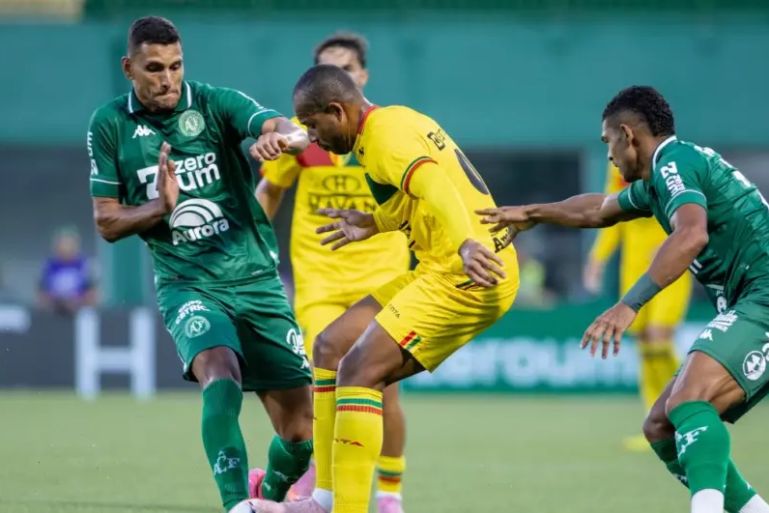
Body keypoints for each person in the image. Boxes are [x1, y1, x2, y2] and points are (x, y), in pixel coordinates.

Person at [478, 85, 769, 513]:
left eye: (607, 141)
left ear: (627, 135)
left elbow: (692, 234)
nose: (609, 155)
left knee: (691, 400)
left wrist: (628, 303)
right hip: (750, 301)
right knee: (661, 426)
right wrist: (532, 213)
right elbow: (599, 210)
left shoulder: (674, 163)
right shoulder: (661, 179)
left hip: (763, 297)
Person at [248, 64, 519, 513]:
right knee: (330, 347)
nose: (312, 138)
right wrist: (374, 222)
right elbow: (418, 198)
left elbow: (434, 184)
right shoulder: (391, 124)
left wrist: (468, 242)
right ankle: (323, 498)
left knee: (359, 372)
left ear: (337, 110)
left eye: (314, 126)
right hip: (439, 266)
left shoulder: (383, 139)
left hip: (466, 275)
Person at [87, 16, 314, 513]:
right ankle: (236, 506)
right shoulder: (110, 125)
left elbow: (289, 129)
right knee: (220, 374)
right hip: (187, 282)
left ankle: (267, 496)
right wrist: (158, 209)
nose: (167, 79)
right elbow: (106, 222)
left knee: (300, 436)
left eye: (175, 65)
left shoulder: (213, 103)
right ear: (129, 68)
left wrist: (282, 141)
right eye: (154, 68)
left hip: (254, 278)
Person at [253, 33, 410, 513]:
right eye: (325, 70)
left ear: (362, 77)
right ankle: (325, 479)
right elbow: (268, 191)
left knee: (381, 391)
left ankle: (389, 494)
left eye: (344, 69)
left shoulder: (384, 135)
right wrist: (249, 247)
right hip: (318, 280)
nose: (335, 78)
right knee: (322, 378)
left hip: (381, 275)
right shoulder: (304, 141)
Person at [584, 163, 692, 451]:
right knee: (645, 344)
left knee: (659, 337)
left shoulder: (667, 164)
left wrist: (675, 241)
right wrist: (597, 259)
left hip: (669, 266)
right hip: (633, 269)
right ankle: (656, 421)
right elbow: (611, 217)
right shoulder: (616, 167)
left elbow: (690, 213)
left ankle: (692, 410)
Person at [38, 227, 98, 314]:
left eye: (69, 244)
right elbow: (41, 294)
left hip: (79, 312)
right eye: (63, 244)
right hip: (53, 312)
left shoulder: (84, 266)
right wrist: (56, 302)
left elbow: (92, 294)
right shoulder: (49, 266)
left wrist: (78, 302)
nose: (66, 248)